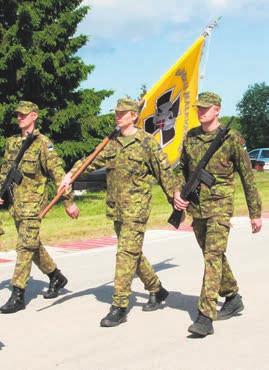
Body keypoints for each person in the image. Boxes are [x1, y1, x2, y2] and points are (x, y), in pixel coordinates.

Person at [60, 97, 177, 327]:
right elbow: (89, 161)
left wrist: (176, 199)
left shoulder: (146, 143)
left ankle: (119, 306)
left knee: (125, 254)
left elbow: (165, 174)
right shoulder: (111, 143)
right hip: (116, 208)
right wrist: (69, 175)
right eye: (116, 113)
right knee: (133, 253)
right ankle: (156, 288)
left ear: (134, 115)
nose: (118, 116)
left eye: (123, 113)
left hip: (137, 208)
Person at [174, 92, 262, 337]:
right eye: (199, 109)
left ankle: (205, 316)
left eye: (206, 108)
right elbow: (182, 169)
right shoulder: (191, 137)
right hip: (197, 206)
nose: (201, 112)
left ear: (217, 110)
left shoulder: (231, 138)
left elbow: (247, 177)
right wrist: (176, 191)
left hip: (220, 206)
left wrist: (255, 213)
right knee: (213, 255)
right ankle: (232, 297)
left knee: (212, 255)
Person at [0, 101, 79, 313]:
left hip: (34, 205)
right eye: (18, 115)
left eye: (24, 115)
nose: (20, 118)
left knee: (25, 246)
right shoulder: (12, 143)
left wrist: (69, 202)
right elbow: (5, 171)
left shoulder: (44, 144)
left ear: (34, 116)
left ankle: (18, 293)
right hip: (16, 204)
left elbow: (58, 174)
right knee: (32, 244)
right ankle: (56, 276)